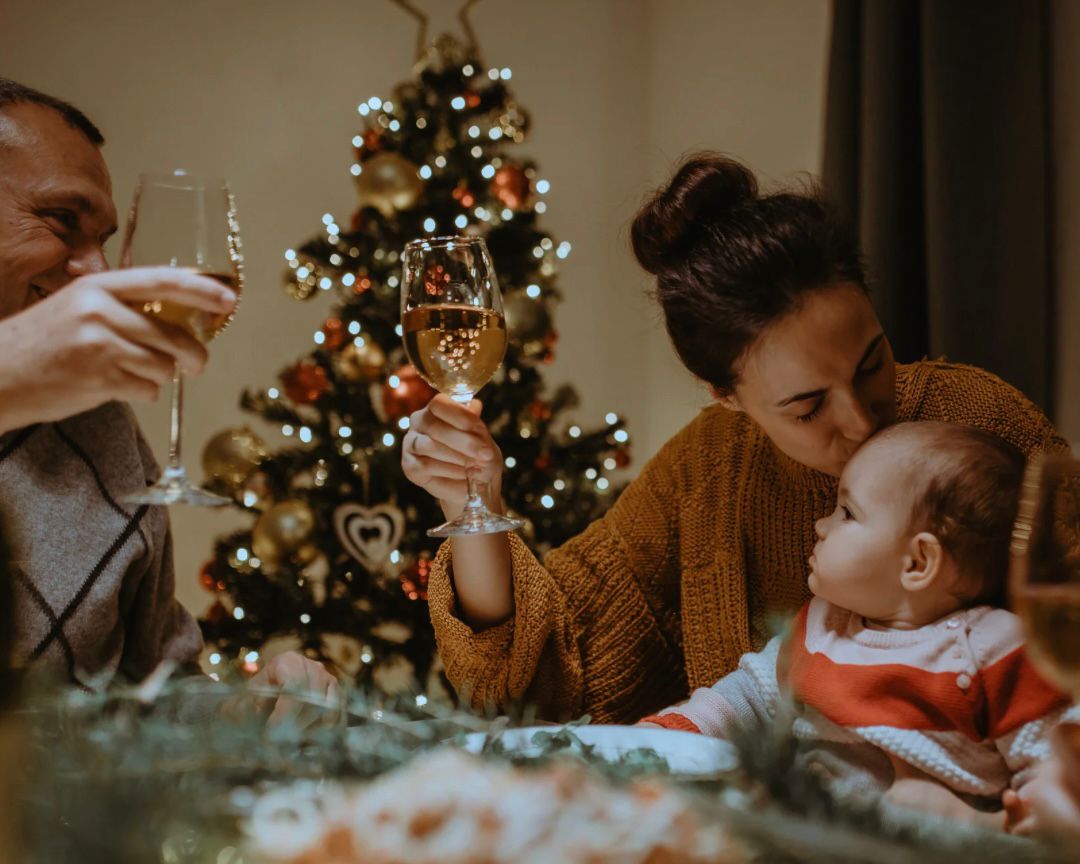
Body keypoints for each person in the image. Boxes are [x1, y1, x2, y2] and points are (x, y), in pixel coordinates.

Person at [402, 152, 1071, 724]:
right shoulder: (705, 472)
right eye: (807, 407)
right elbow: (546, 673)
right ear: (728, 398)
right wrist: (471, 505)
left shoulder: (980, 419)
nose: (864, 423)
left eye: (872, 363)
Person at [0, 77, 335, 703]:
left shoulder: (99, 426)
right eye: (60, 220)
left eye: (101, 241)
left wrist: (244, 714)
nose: (98, 272)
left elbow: (153, 693)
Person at [640, 422, 1075, 824]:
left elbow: (1052, 754)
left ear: (917, 562)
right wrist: (674, 732)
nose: (821, 524)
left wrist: (1003, 819)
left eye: (847, 513)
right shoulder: (823, 624)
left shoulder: (993, 647)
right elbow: (749, 696)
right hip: (810, 833)